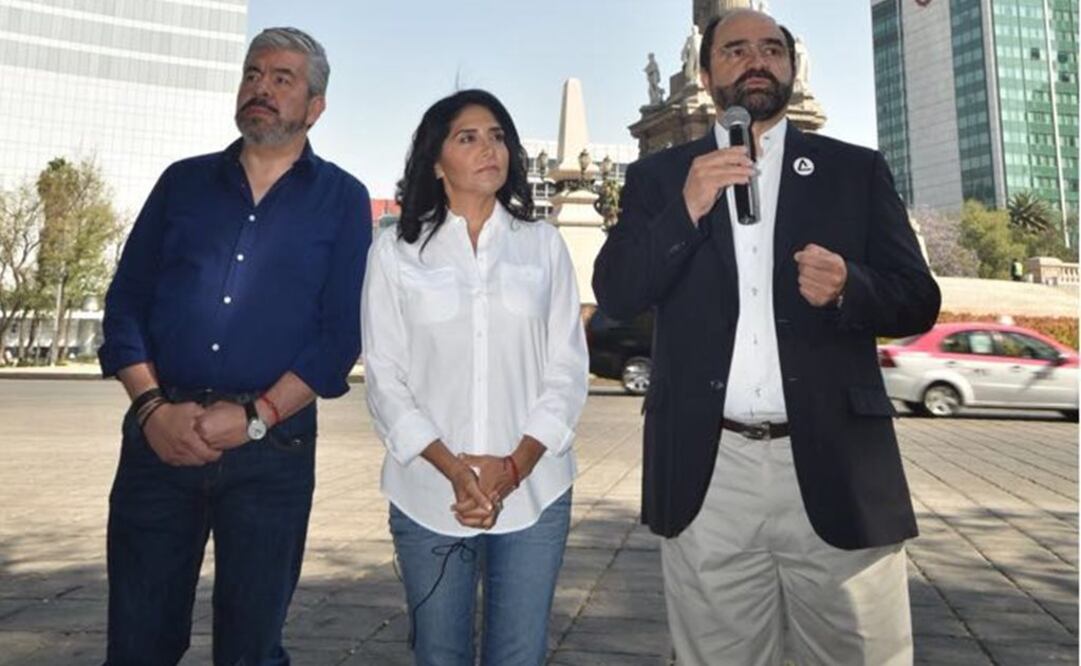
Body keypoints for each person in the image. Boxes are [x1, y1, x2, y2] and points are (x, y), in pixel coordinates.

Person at [594, 9, 940, 666]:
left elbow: (917, 299)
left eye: (770, 49)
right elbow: (615, 294)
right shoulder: (660, 179)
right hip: (707, 469)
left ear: (789, 64)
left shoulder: (852, 170)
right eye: (735, 50)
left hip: (836, 462)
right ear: (706, 71)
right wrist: (687, 207)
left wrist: (849, 287)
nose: (755, 61)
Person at [97, 27, 371, 665]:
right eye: (253, 74)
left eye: (283, 79)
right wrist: (152, 410)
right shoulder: (181, 183)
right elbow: (126, 303)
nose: (262, 88)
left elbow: (340, 335)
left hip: (272, 451)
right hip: (159, 441)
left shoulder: (342, 199)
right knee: (137, 643)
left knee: (251, 648)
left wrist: (254, 418)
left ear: (315, 107)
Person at [361, 89, 588, 666]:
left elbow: (566, 369)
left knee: (520, 654)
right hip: (428, 493)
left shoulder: (542, 246)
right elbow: (385, 377)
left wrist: (514, 467)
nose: (490, 148)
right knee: (439, 654)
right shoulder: (396, 251)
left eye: (497, 136)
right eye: (468, 137)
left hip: (535, 491)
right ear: (436, 163)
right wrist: (455, 470)